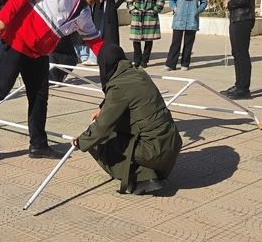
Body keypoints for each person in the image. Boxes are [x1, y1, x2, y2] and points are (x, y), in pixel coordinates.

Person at [0, 0, 112, 162]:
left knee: (39, 97)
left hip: (38, 53)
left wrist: (114, 59)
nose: (101, 0)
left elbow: (95, 42)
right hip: (16, 41)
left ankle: (38, 144)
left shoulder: (84, 14)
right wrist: (2, 18)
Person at [72, 44, 183, 195]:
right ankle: (148, 175)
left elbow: (102, 128)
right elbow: (127, 98)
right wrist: (102, 108)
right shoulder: (138, 73)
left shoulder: (118, 87)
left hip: (155, 151)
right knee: (122, 127)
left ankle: (140, 178)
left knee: (102, 141)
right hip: (172, 143)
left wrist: (80, 142)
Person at [213, 0, 256, 99]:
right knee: (237, 53)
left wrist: (229, 3)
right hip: (237, 17)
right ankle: (239, 85)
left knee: (241, 53)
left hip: (243, 18)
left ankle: (243, 89)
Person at [163, 0, 208, 71]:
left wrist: (196, 11)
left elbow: (204, 2)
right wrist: (175, 9)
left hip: (192, 20)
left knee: (188, 43)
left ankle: (185, 64)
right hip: (179, 19)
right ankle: (170, 64)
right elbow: (172, 0)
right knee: (175, 43)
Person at [126, 0, 165, 68]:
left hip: (149, 16)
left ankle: (145, 60)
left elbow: (160, 0)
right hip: (137, 16)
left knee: (148, 40)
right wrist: (133, 10)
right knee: (136, 40)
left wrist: (154, 10)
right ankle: (136, 60)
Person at [71, 0, 91, 64]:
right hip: (74, 11)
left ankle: (84, 54)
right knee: (74, 35)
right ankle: (76, 54)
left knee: (83, 34)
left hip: (83, 11)